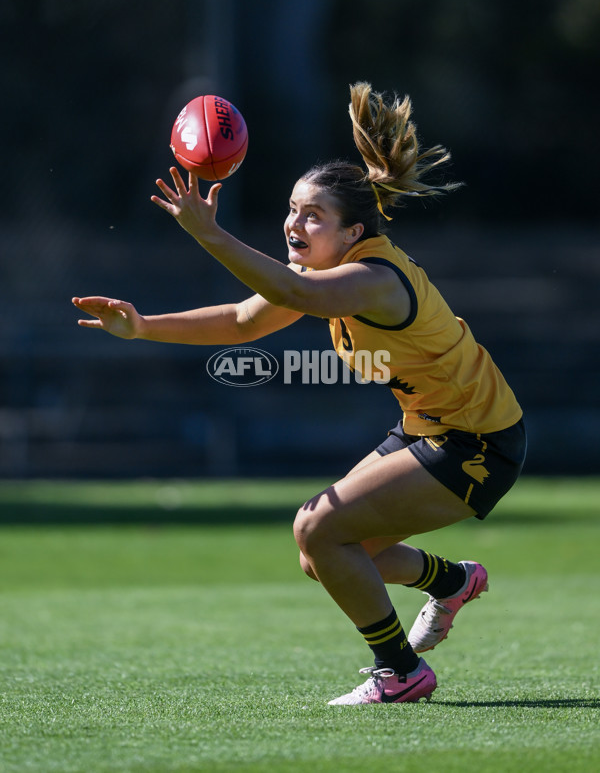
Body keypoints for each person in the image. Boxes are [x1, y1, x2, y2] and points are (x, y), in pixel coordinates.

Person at [73, 82, 526, 705]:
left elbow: (298, 298)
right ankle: (450, 583)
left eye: (314, 216)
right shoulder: (323, 272)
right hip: (430, 427)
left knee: (318, 529)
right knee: (328, 553)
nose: (294, 224)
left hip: (478, 442)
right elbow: (241, 322)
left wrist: (209, 235)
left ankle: (400, 673)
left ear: (353, 232)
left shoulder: (372, 278)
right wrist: (143, 326)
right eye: (292, 209)